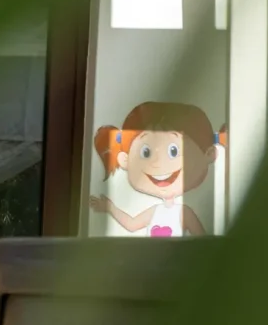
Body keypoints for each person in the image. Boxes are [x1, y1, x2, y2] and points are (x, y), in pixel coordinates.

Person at [92, 101, 222, 237]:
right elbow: (132, 224)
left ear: (209, 154)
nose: (158, 163)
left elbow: (201, 238)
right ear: (125, 159)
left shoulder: (184, 213)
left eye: (173, 151)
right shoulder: (155, 211)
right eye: (146, 152)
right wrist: (110, 208)